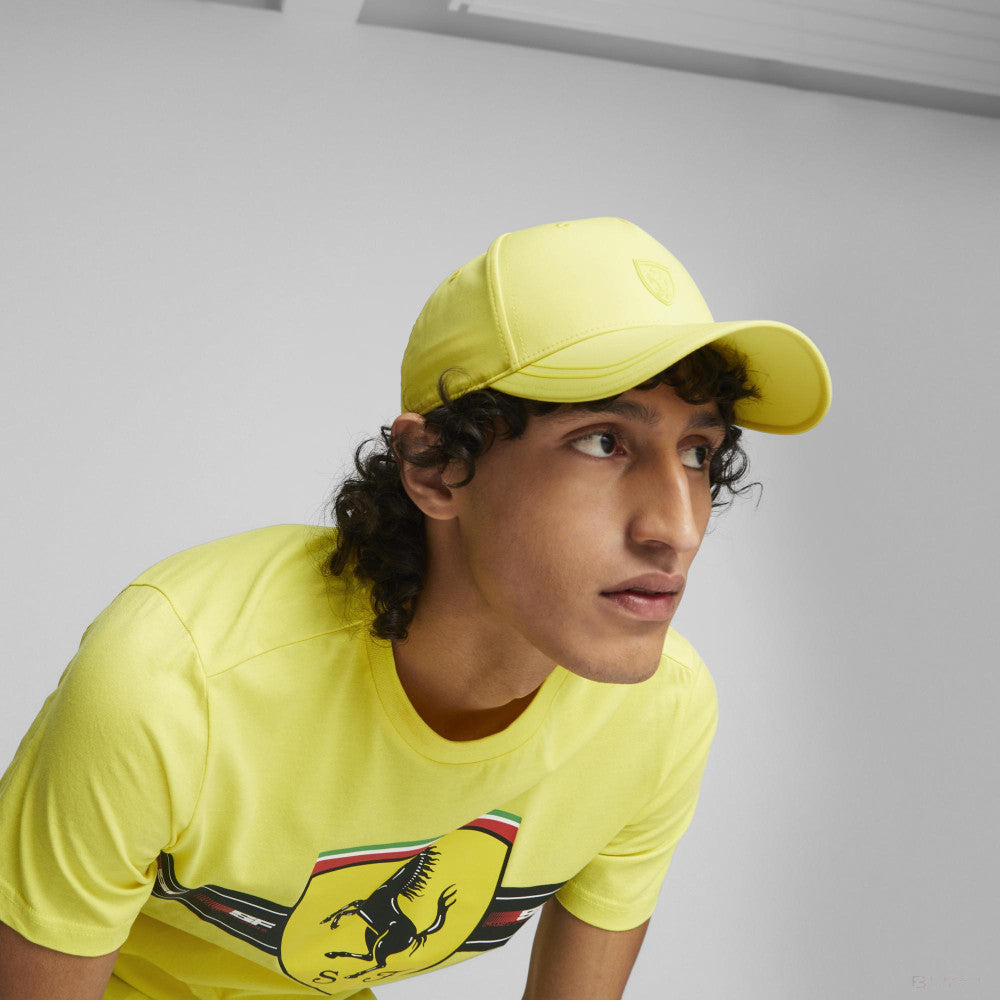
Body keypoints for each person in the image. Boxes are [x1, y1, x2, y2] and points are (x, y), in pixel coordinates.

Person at [0, 216, 831, 1000]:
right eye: (603, 441)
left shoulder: (658, 712)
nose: (677, 529)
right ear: (435, 466)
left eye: (697, 452)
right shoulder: (176, 679)